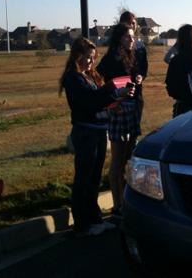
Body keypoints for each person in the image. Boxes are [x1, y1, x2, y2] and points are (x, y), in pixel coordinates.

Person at [59, 37, 134, 237]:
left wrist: (117, 97)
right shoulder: (73, 78)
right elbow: (90, 102)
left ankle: (94, 218)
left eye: (93, 58)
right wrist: (115, 93)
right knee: (84, 178)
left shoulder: (89, 76)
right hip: (86, 133)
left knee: (94, 179)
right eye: (87, 57)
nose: (91, 62)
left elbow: (99, 100)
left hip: (99, 130)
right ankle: (82, 224)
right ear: (76, 56)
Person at [97, 23, 140, 218]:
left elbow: (127, 79)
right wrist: (112, 104)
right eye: (128, 37)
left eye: (132, 36)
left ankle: (125, 203)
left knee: (128, 160)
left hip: (131, 110)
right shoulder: (110, 58)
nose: (132, 40)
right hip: (118, 112)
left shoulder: (130, 56)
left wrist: (137, 79)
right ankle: (117, 206)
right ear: (119, 39)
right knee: (117, 161)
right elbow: (98, 82)